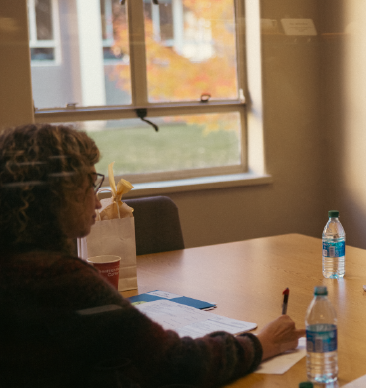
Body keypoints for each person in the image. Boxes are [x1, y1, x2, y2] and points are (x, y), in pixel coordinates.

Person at [0, 124, 304, 387]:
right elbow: (177, 362)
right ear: (56, 195)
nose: (96, 202)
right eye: (88, 184)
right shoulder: (60, 279)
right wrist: (262, 343)